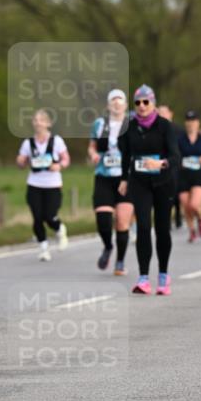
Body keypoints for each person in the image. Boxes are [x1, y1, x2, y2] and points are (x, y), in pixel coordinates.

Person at [118, 85, 180, 295]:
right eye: (138, 102)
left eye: (146, 102)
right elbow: (125, 156)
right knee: (143, 227)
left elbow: (175, 157)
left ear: (153, 103)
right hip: (140, 182)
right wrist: (123, 179)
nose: (142, 106)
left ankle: (163, 275)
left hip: (163, 183)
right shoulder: (129, 127)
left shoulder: (165, 126)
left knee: (162, 229)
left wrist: (162, 163)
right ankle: (143, 277)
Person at [89, 90, 133, 274]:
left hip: (126, 178)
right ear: (108, 105)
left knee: (122, 222)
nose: (116, 104)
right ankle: (108, 246)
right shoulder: (99, 124)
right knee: (103, 220)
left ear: (125, 105)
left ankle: (120, 261)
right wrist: (92, 154)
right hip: (104, 177)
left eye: (120, 101)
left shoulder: (132, 124)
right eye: (113, 101)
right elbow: (92, 146)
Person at [18, 108, 70, 262]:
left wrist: (59, 166)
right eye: (35, 120)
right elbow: (21, 160)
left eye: (41, 120)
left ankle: (60, 229)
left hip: (52, 184)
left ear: (48, 123)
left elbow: (66, 159)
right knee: (37, 217)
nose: (37, 123)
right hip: (34, 184)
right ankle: (44, 248)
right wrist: (21, 161)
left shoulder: (57, 141)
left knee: (49, 215)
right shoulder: (28, 142)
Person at [177, 110, 201, 242]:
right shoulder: (180, 139)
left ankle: (200, 220)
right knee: (186, 206)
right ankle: (192, 231)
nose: (191, 123)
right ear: (186, 123)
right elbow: (175, 155)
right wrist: (180, 162)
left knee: (194, 205)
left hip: (198, 176)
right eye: (188, 121)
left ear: (198, 123)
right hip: (183, 176)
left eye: (193, 121)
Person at [158, 104, 184, 230]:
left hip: (175, 165)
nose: (161, 114)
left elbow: (182, 148)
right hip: (160, 165)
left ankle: (178, 213)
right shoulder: (155, 130)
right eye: (159, 112)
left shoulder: (178, 130)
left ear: (170, 114)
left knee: (175, 192)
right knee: (164, 193)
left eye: (164, 112)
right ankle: (166, 220)